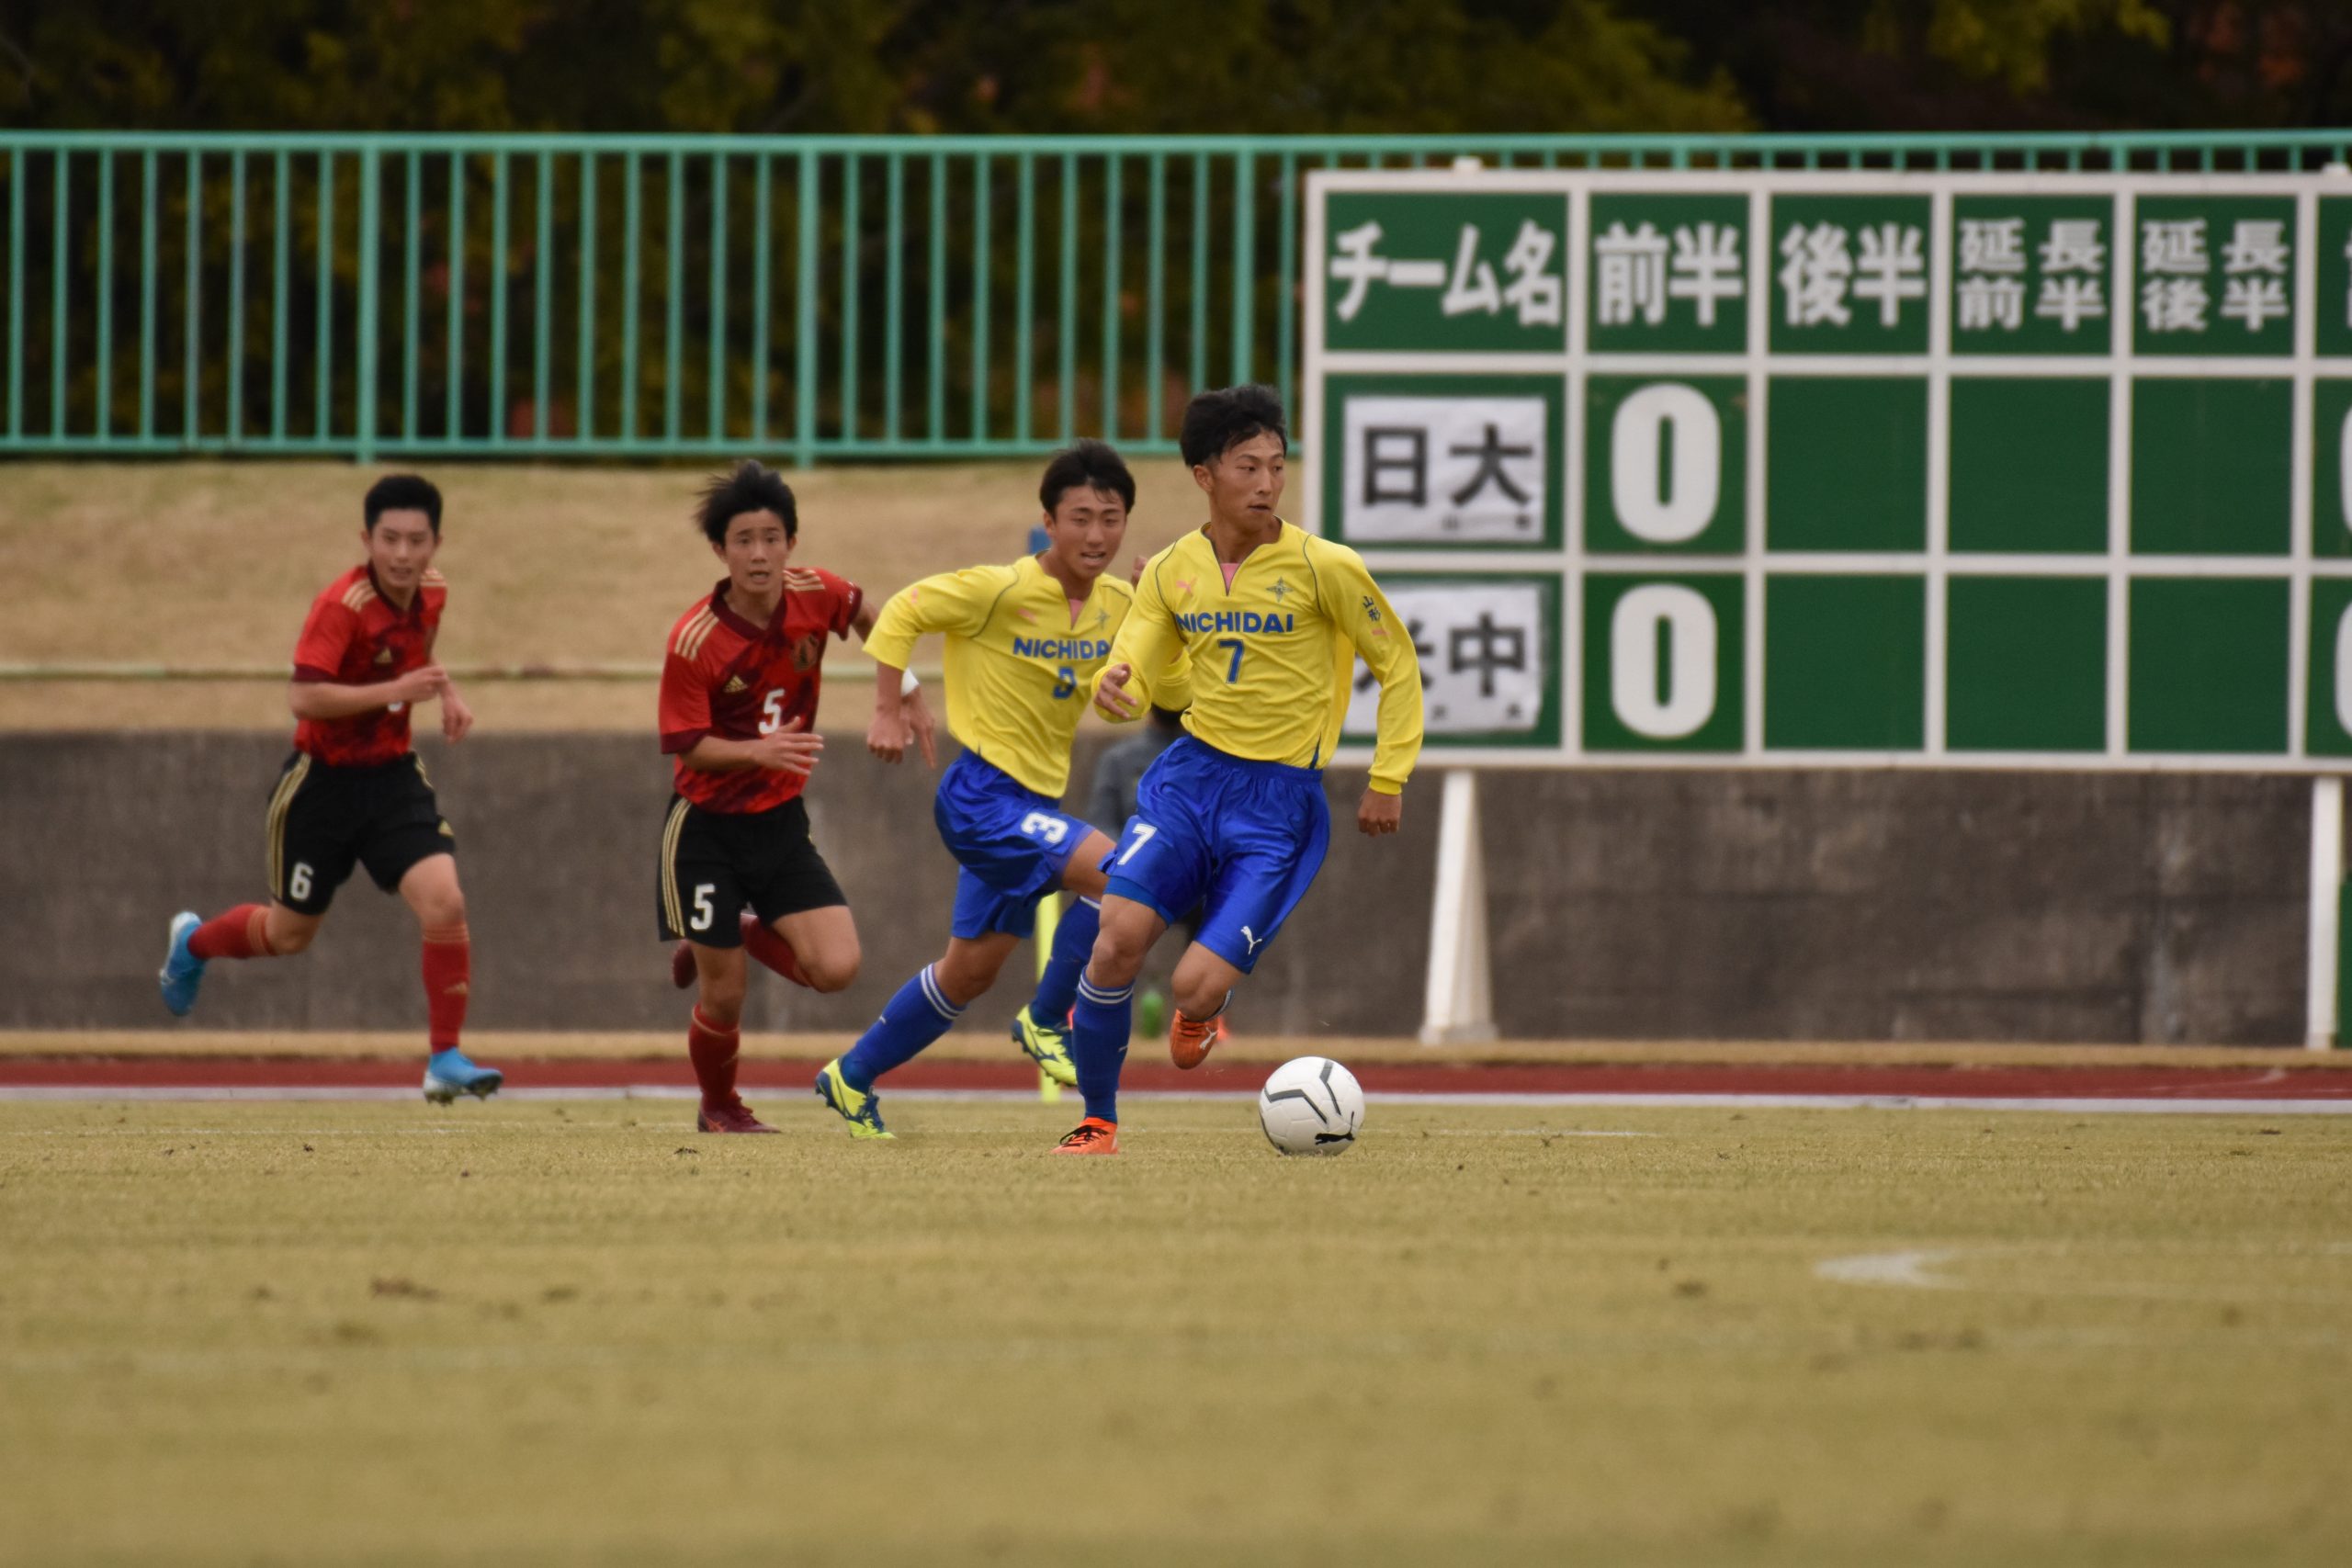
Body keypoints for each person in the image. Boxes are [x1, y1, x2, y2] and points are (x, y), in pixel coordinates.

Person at [1056, 385, 1424, 1156]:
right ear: (1204, 475)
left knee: (1193, 985)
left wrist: (1389, 775)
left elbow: (1397, 664)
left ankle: (1199, 1006)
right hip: (1189, 780)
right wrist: (1114, 685)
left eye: (1277, 466)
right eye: (1248, 466)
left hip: (1278, 804)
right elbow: (1135, 671)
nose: (1266, 483)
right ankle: (1097, 1121)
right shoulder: (1171, 570)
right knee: (1114, 939)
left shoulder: (1327, 566)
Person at [812, 440, 1157, 1139]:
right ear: (1048, 521)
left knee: (966, 974)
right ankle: (1044, 1017)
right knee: (1126, 875)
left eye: (1111, 518)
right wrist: (889, 704)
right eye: (1080, 517)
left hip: (1033, 807)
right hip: (981, 796)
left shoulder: (1120, 602)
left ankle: (850, 1076)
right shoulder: (999, 588)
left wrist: (1159, 619)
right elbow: (903, 610)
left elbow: (1141, 686)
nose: (1096, 535)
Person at [158, 475, 502, 1104]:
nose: (402, 553)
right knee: (290, 934)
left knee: (445, 902)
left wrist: (445, 692)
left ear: (437, 543)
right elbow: (304, 696)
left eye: (416, 540)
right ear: (366, 538)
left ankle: (443, 1058)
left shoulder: (432, 591)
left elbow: (413, 658)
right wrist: (397, 693)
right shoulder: (340, 606)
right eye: (389, 539)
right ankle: (194, 941)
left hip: (393, 777)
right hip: (320, 784)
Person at [656, 459, 929, 1134]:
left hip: (778, 822)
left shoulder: (815, 593)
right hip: (704, 829)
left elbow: (873, 613)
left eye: (771, 537)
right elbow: (686, 743)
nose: (759, 552)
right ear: (720, 552)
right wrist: (759, 751)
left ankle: (735, 934)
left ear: (791, 543)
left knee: (837, 967)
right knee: (724, 994)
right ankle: (720, 1107)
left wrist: (902, 695)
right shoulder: (696, 639)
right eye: (743, 539)